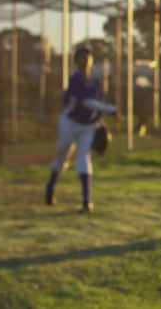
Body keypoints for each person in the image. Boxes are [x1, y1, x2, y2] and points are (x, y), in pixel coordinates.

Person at [46, 46, 117, 212]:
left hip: (88, 127)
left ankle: (87, 201)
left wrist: (101, 123)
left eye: (88, 58)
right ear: (76, 62)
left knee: (84, 158)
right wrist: (112, 110)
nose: (85, 61)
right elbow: (87, 103)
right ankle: (50, 186)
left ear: (92, 61)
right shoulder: (75, 80)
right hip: (70, 124)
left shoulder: (95, 82)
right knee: (63, 156)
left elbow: (96, 107)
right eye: (82, 58)